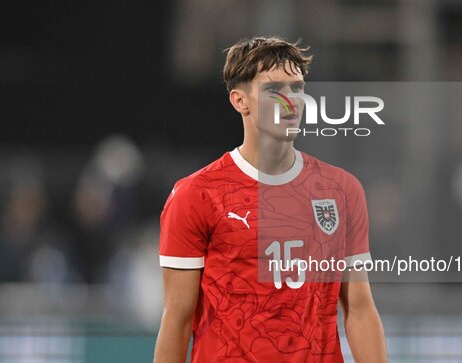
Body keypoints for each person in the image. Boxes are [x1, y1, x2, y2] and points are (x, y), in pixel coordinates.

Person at [154, 36, 387, 363]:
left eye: (297, 88)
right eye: (275, 89)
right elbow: (177, 320)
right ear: (240, 101)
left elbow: (360, 309)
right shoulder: (196, 195)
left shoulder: (341, 190)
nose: (291, 100)